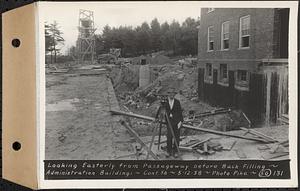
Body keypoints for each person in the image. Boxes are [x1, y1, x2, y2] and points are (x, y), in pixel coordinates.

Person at [156, 87, 183, 158]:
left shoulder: (177, 102)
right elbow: (160, 109)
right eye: (170, 93)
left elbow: (180, 112)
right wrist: (156, 117)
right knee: (169, 137)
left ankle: (176, 151)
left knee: (177, 137)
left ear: (174, 94)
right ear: (168, 94)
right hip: (169, 122)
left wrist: (181, 121)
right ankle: (169, 151)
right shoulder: (165, 102)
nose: (171, 95)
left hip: (177, 121)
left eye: (173, 94)